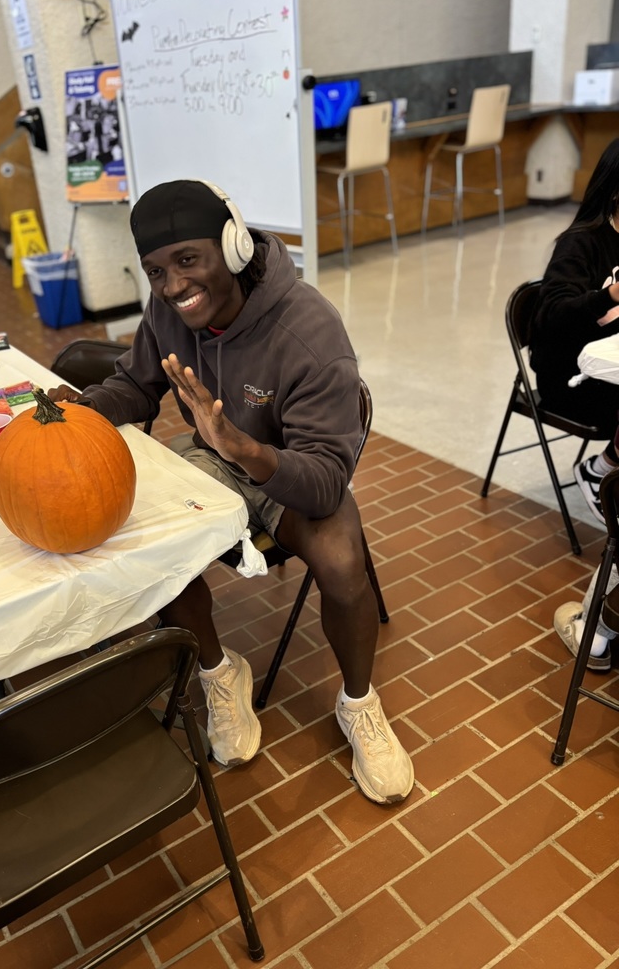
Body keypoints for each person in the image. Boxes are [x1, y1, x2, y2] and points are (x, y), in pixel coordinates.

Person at [48, 179, 414, 805]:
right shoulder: (167, 312)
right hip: (214, 458)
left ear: (235, 246)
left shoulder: (309, 331)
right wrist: (79, 412)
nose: (172, 287)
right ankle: (221, 673)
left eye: (188, 262)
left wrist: (246, 449)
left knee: (343, 565)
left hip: (292, 469)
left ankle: (359, 703)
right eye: (156, 271)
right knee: (154, 540)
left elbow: (326, 481)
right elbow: (135, 387)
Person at [530, 137, 619, 524]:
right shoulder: (581, 244)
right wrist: (610, 295)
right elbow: (553, 316)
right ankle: (600, 469)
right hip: (568, 378)